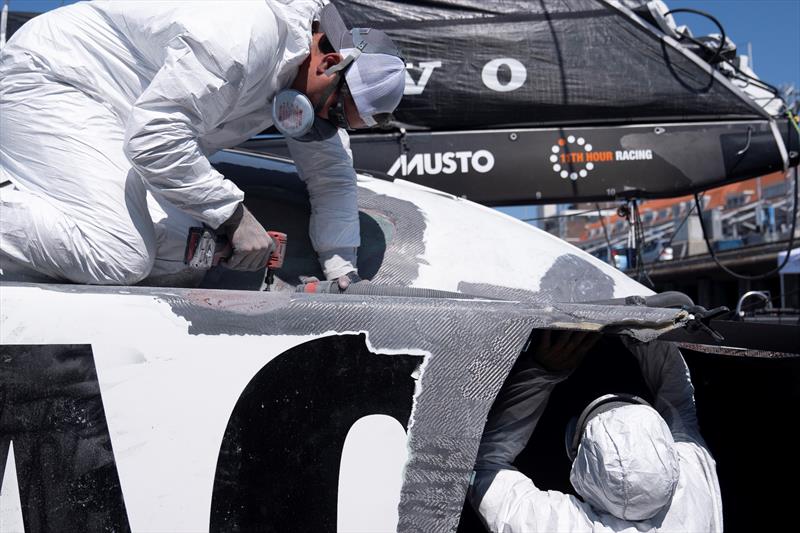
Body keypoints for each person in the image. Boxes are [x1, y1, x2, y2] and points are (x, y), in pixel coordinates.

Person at [0, 1, 405, 287]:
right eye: (334, 113)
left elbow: (332, 175)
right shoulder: (243, 39)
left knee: (183, 249)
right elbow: (154, 138)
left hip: (118, 118)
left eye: (341, 124)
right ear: (330, 63)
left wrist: (340, 267)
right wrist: (235, 217)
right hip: (56, 78)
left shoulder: (309, 85)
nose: (324, 125)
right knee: (120, 253)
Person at [469, 331, 723, 532]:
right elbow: (679, 400)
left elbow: (482, 464)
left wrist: (541, 372)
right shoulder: (694, 481)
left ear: (577, 467)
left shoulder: (557, 525)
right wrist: (647, 335)